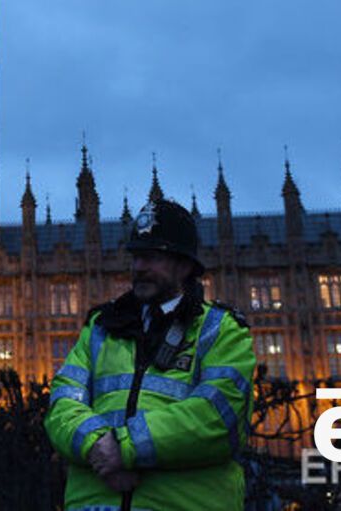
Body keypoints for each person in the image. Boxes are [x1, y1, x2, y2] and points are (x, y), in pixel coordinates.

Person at [44, 197, 255, 511]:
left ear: (184, 265)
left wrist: (124, 449)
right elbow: (62, 402)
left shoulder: (220, 329)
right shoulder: (101, 329)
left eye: (152, 257)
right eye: (136, 257)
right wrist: (95, 445)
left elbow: (218, 417)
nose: (139, 267)